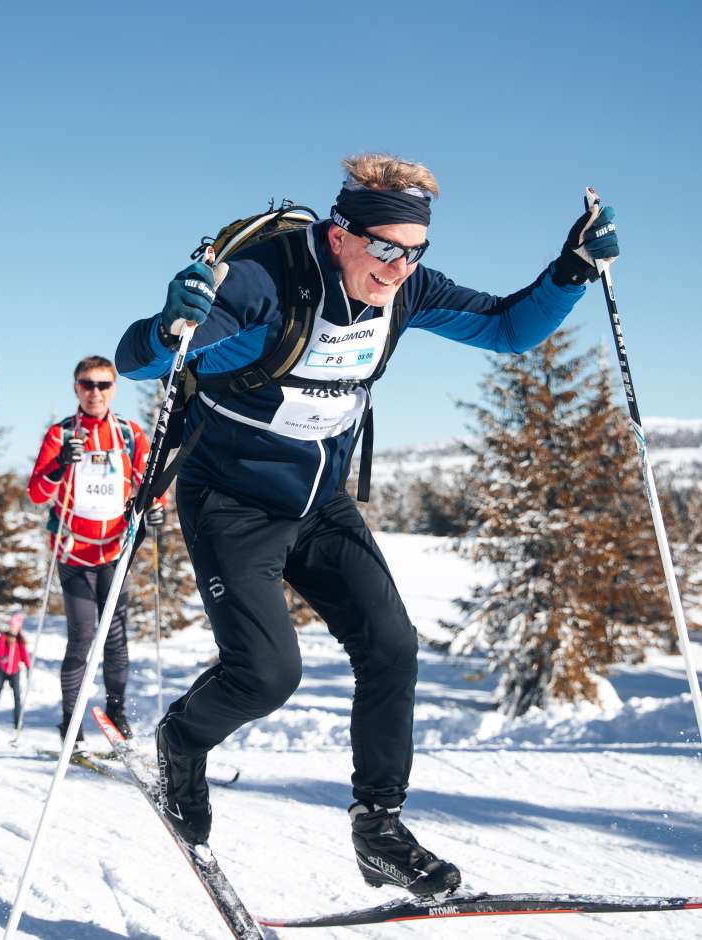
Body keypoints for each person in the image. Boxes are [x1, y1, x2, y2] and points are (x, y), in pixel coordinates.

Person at [114, 153, 619, 895]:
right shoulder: (266, 282)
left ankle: (378, 829)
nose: (398, 268)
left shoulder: (406, 292)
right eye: (385, 248)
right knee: (267, 674)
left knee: (391, 646)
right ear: (340, 233)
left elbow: (508, 328)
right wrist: (170, 322)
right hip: (232, 502)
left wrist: (571, 271)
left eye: (414, 253)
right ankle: (182, 743)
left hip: (321, 504)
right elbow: (141, 359)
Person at [28, 354, 165, 746]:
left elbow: (151, 485)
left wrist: (156, 510)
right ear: (76, 388)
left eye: (103, 385)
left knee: (116, 636)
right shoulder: (61, 435)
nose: (95, 393)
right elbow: (37, 492)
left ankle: (117, 713)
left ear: (114, 389)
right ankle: (70, 720)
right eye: (87, 384)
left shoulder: (128, 434)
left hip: (114, 551)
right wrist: (59, 466)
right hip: (74, 553)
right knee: (82, 637)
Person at [0, 613, 31, 727]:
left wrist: (28, 666)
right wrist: (2, 657)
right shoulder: (3, 637)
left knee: (17, 696)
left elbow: (24, 654)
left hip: (14, 671)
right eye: (12, 625)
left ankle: (17, 722)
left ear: (19, 627)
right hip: (1, 670)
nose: (13, 628)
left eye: (16, 626)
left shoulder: (19, 640)